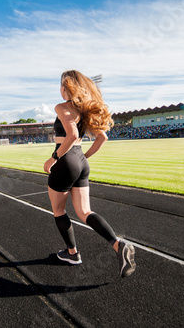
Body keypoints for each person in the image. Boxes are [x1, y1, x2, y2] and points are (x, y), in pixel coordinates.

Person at [44, 70, 136, 278]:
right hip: (80, 161)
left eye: (61, 85)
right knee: (85, 211)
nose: (60, 89)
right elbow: (102, 137)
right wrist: (83, 157)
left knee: (59, 211)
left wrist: (54, 158)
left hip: (66, 160)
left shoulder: (61, 107)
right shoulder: (84, 111)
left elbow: (72, 134)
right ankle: (118, 245)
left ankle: (73, 253)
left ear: (66, 88)